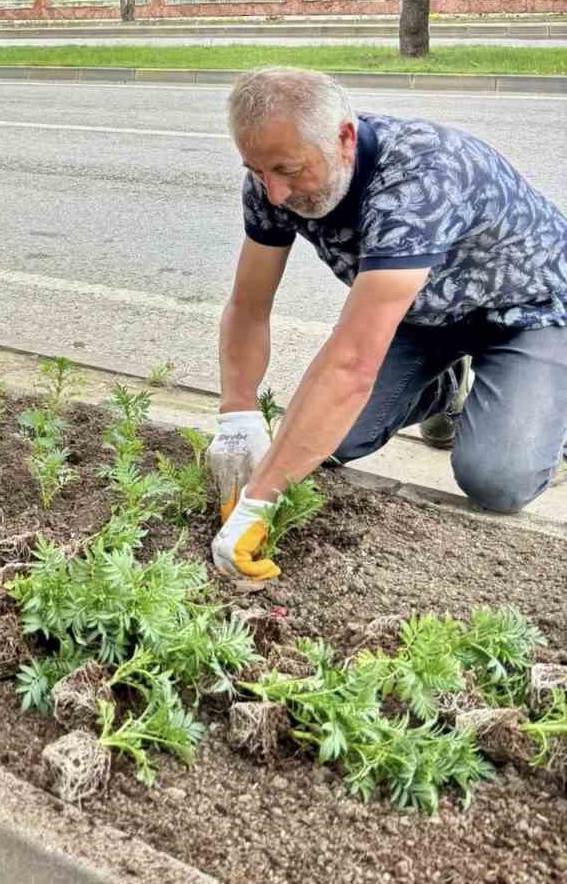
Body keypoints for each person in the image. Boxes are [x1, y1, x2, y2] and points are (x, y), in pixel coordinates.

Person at [206, 67, 567, 582]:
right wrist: (237, 418)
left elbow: (352, 364)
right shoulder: (270, 177)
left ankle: (550, 393)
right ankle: (446, 392)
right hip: (424, 311)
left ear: (345, 139)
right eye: (258, 170)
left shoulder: (419, 179)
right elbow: (248, 305)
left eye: (289, 171)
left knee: (498, 482)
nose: (276, 193)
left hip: (528, 311)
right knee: (328, 440)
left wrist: (258, 503)